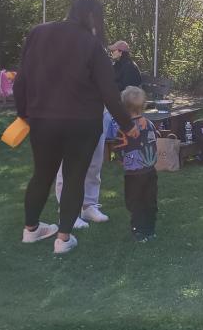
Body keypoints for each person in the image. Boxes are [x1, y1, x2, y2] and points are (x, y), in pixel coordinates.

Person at [14, 0, 136, 256]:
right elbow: (109, 92)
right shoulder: (92, 44)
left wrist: (23, 114)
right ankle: (63, 239)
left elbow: (21, 79)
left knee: (41, 175)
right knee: (74, 177)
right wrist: (128, 125)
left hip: (42, 119)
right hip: (82, 122)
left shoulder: (38, 33)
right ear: (92, 16)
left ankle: (31, 229)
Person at [53, 38, 143, 228]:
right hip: (71, 118)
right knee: (70, 167)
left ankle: (89, 205)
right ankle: (67, 212)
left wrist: (126, 122)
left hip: (98, 116)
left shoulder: (101, 62)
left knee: (94, 163)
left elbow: (110, 91)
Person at [118, 85, 159, 241]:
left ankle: (138, 230)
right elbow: (154, 142)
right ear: (143, 105)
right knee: (150, 200)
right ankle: (150, 229)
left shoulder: (123, 128)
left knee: (135, 202)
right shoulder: (149, 124)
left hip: (132, 174)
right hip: (150, 170)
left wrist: (121, 160)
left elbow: (119, 148)